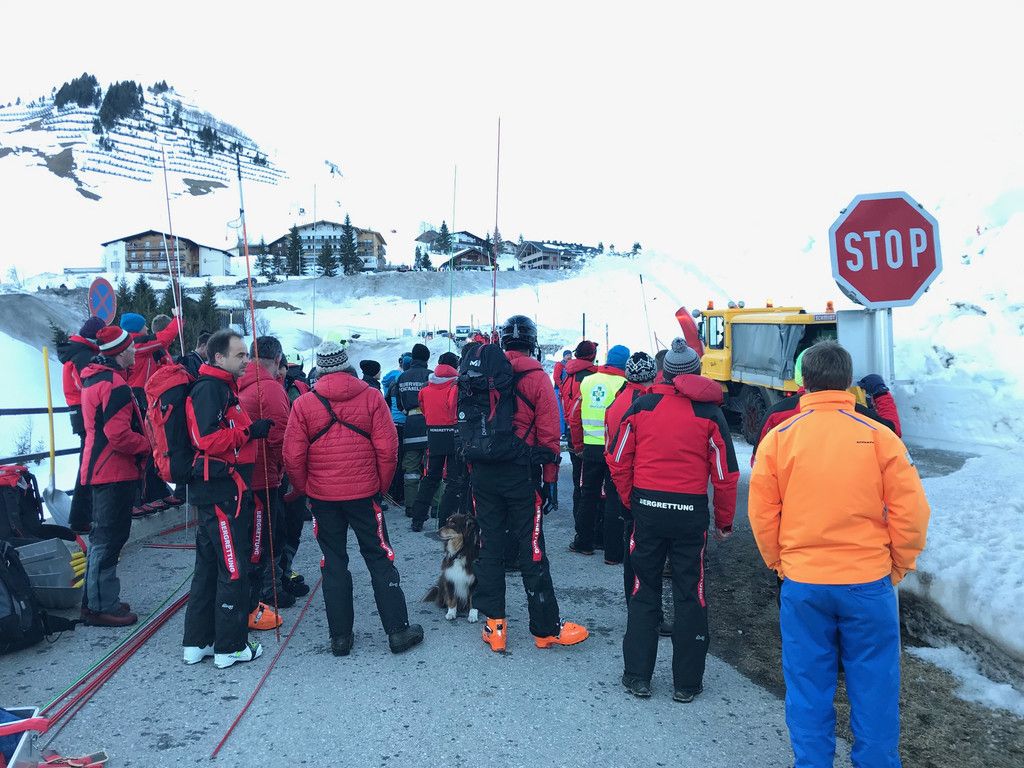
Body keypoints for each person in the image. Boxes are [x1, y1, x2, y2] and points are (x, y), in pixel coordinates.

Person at [749, 341, 930, 767]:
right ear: (848, 381)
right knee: (875, 688)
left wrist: (780, 563)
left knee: (808, 687)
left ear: (803, 381)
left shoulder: (780, 438)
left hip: (804, 582)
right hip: (868, 581)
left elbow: (762, 513)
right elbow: (911, 512)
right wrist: (898, 565)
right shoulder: (879, 436)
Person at [608, 337, 738, 702]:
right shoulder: (710, 414)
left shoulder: (642, 406)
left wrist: (630, 500)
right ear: (696, 371)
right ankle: (687, 683)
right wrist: (724, 522)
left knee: (643, 588)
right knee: (691, 592)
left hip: (647, 509)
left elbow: (618, 459)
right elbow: (725, 475)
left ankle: (638, 676)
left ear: (664, 372)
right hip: (689, 513)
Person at [283, 342, 423, 657]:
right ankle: (398, 631)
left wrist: (306, 489)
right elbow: (388, 449)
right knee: (379, 557)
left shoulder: (304, 404)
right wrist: (379, 487)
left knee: (333, 563)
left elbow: (292, 455)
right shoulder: (371, 397)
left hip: (323, 497)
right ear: (347, 364)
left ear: (320, 368)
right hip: (365, 495)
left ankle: (340, 638)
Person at [474, 315, 589, 653]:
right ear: (532, 343)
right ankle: (545, 628)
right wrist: (550, 480)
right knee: (532, 548)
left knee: (490, 547)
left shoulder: (480, 374)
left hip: (483, 474)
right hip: (521, 475)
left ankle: (494, 627)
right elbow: (549, 435)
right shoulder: (537, 377)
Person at [181, 329, 273, 669]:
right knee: (233, 568)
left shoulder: (222, 387)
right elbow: (206, 438)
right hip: (221, 492)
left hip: (221, 490)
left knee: (208, 568)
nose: (246, 360)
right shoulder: (211, 388)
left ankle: (199, 641)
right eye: (240, 355)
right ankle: (230, 646)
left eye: (246, 354)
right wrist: (249, 432)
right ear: (219, 357)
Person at [79, 326, 151, 627]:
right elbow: (119, 435)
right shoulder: (115, 384)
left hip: (100, 467)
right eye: (131, 347)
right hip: (113, 470)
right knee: (109, 539)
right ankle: (100, 607)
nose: (135, 351)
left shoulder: (94, 378)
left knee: (103, 538)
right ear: (121, 352)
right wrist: (148, 445)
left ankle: (97, 599)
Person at [751, 349, 901, 464]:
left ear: (802, 378)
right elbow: (892, 432)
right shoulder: (860, 415)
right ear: (849, 380)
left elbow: (759, 463)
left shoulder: (776, 415)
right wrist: (880, 393)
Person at [237, 336, 294, 621]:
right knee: (267, 534)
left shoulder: (241, 380)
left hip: (245, 471)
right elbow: (279, 437)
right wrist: (289, 469)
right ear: (278, 358)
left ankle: (268, 584)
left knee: (258, 534)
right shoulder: (268, 388)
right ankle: (267, 590)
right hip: (263, 474)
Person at [604, 351, 657, 600]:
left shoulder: (616, 401)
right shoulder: (648, 403)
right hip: (641, 481)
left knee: (626, 538)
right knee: (643, 549)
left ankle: (631, 597)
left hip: (616, 474)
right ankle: (642, 601)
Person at [569, 343, 629, 559]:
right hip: (613, 449)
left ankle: (583, 542)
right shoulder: (624, 384)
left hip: (590, 448)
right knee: (613, 497)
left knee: (588, 494)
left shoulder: (588, 381)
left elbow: (574, 415)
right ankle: (613, 553)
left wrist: (578, 445)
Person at [120, 310, 183, 514]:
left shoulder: (141, 347)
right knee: (147, 447)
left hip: (145, 398)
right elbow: (163, 338)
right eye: (143, 326)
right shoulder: (137, 344)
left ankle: (155, 492)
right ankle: (145, 496)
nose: (147, 328)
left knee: (153, 445)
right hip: (139, 399)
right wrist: (178, 319)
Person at [58, 315, 105, 534]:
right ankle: (81, 518)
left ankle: (84, 515)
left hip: (79, 412)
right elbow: (88, 384)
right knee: (89, 463)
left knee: (88, 462)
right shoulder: (83, 355)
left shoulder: (77, 351)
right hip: (86, 413)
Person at [409, 351, 464, 532]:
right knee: (454, 481)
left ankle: (417, 519)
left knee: (431, 477)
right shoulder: (457, 385)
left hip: (433, 434)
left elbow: (423, 409)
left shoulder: (426, 388)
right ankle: (445, 521)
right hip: (453, 435)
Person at [560, 340, 598, 524]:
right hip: (586, 436)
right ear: (592, 356)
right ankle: (588, 527)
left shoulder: (569, 374)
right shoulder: (591, 376)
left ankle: (580, 523)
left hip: (572, 432)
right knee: (590, 485)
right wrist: (579, 444)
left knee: (578, 482)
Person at [396, 344, 432, 517]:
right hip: (429, 425)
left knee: (410, 469)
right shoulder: (430, 375)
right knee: (432, 467)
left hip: (410, 426)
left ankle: (410, 506)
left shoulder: (402, 377)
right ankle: (435, 506)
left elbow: (399, 405)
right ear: (427, 358)